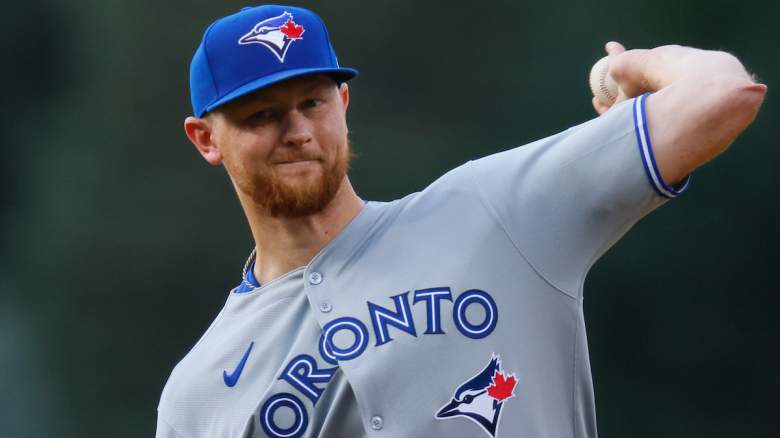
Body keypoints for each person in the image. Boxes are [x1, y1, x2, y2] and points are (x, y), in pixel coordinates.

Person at [156, 4, 767, 438]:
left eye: (312, 102)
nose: (297, 131)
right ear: (207, 138)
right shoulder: (200, 391)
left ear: (342, 104)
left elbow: (725, 95)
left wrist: (643, 64)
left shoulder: (490, 210)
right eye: (261, 115)